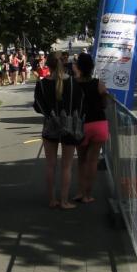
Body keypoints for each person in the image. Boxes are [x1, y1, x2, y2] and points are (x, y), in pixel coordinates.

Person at [33, 51, 83, 210]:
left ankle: (52, 200)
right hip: (69, 125)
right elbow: (80, 104)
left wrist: (50, 113)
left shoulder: (41, 84)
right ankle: (64, 201)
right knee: (67, 166)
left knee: (50, 165)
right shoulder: (73, 83)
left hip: (50, 125)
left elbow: (38, 106)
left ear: (48, 65)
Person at [73, 53, 109, 204]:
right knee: (93, 161)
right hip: (99, 123)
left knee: (81, 161)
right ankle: (88, 194)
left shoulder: (73, 84)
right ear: (92, 67)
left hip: (81, 124)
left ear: (78, 67)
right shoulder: (99, 83)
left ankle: (80, 192)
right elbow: (104, 103)